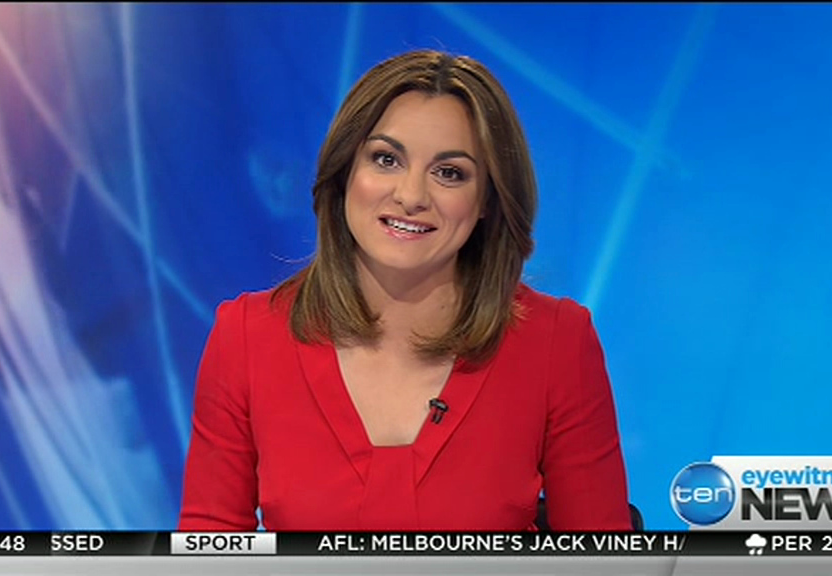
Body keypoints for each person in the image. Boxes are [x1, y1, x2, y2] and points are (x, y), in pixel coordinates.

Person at [178, 49, 631, 531]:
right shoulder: (247, 338)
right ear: (345, 172)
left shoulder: (556, 343)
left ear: (487, 200)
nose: (411, 196)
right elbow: (209, 549)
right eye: (386, 159)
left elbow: (600, 555)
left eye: (449, 173)